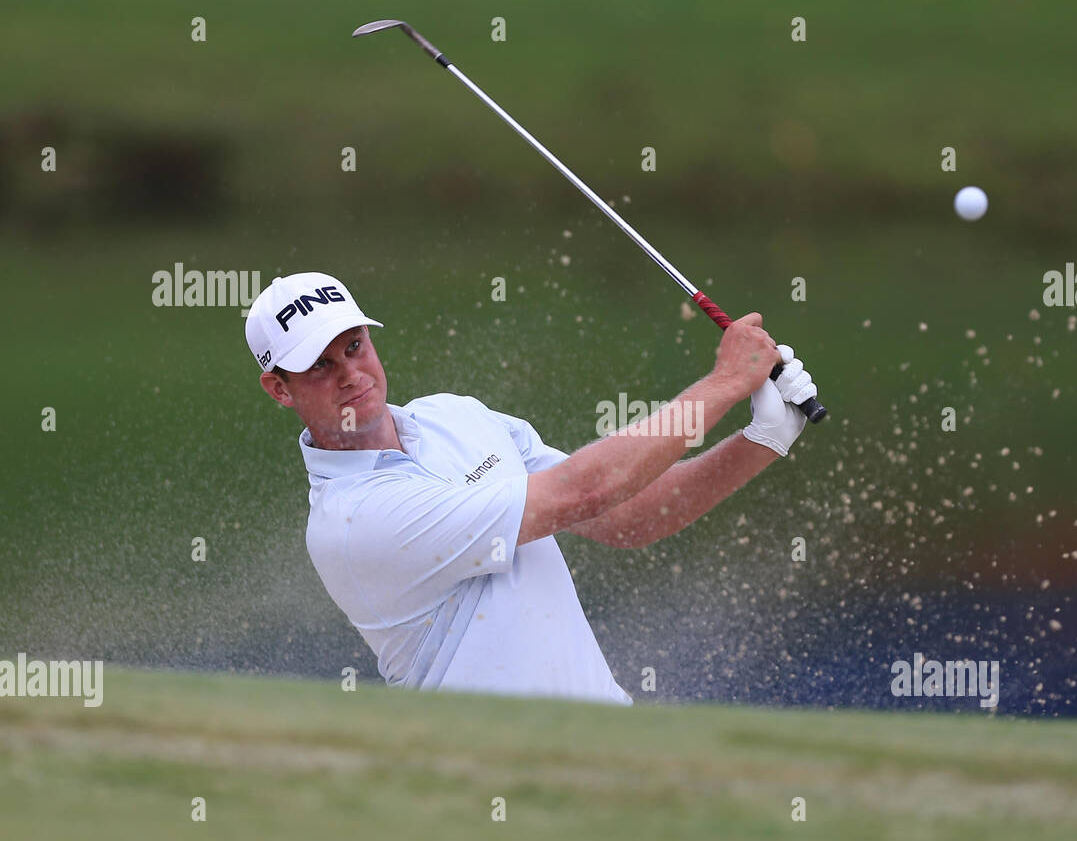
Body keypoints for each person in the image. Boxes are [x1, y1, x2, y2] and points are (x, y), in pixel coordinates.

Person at [245, 272, 817, 706]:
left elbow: (629, 515)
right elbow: (583, 492)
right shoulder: (353, 521)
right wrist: (723, 383)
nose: (351, 374)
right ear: (279, 389)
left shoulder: (454, 415)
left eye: (354, 346)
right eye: (319, 367)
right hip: (502, 789)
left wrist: (764, 437)